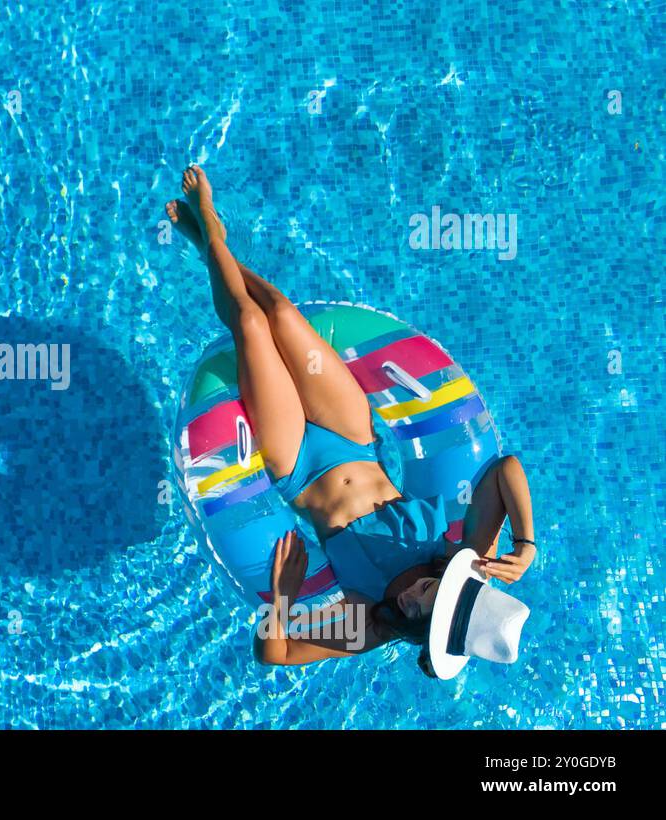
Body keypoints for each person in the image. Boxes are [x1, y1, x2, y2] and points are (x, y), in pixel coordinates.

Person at [166, 166, 536, 674]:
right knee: (278, 311)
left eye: (423, 613)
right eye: (436, 593)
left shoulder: (372, 623)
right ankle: (212, 245)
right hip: (353, 436)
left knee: (250, 325)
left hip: (296, 463)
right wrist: (525, 543)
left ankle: (209, 226)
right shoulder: (466, 554)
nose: (416, 599)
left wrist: (282, 598)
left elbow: (272, 653)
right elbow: (505, 468)